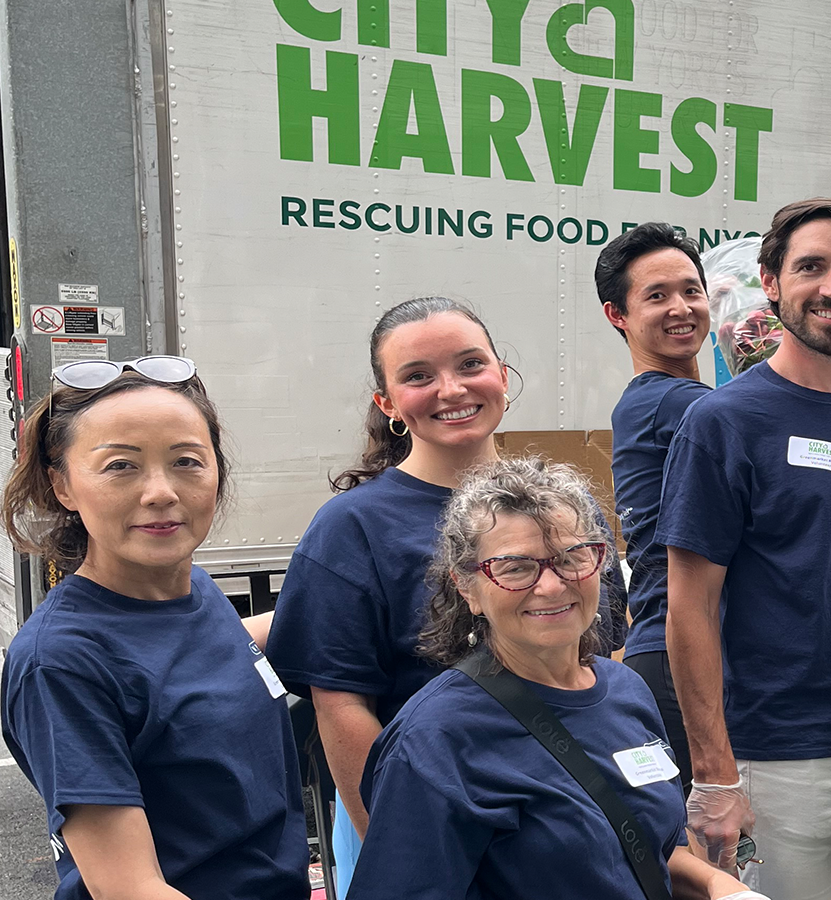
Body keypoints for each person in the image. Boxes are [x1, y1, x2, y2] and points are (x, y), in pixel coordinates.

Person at [266, 297, 624, 898]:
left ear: (503, 377)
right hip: (423, 818)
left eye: (470, 365)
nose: (451, 389)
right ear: (388, 404)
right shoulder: (351, 529)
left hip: (569, 811)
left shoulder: (566, 506)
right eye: (417, 376)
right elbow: (342, 708)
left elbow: (600, 657)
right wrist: (396, 847)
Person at [659, 198, 831, 899]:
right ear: (772, 280)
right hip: (776, 756)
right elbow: (688, 608)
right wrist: (715, 775)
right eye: (811, 266)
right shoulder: (724, 421)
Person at [347, 457, 766, 900]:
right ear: (467, 588)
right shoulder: (434, 741)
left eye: (571, 558)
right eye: (515, 567)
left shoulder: (625, 692)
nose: (550, 586)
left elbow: (650, 849)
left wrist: (721, 887)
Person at [0, 357, 308, 900]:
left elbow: (217, 653)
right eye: (121, 466)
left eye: (187, 461)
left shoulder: (192, 591)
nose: (161, 492)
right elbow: (131, 890)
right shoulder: (62, 662)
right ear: (62, 486)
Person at [597, 222, 712, 785]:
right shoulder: (675, 403)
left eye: (692, 290)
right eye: (657, 296)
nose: (681, 308)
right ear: (616, 315)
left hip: (665, 646)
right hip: (678, 649)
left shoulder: (673, 401)